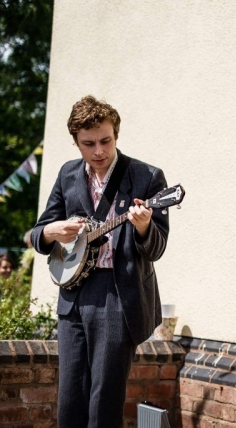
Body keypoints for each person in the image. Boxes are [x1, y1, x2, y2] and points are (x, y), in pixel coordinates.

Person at [31, 95, 169, 428]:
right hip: (73, 296)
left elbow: (157, 248)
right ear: (76, 142)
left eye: (105, 141)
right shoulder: (68, 175)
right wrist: (54, 229)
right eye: (88, 144)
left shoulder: (146, 176)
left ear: (116, 135)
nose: (98, 151)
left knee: (104, 400)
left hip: (117, 295)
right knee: (70, 398)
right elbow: (38, 234)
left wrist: (143, 227)